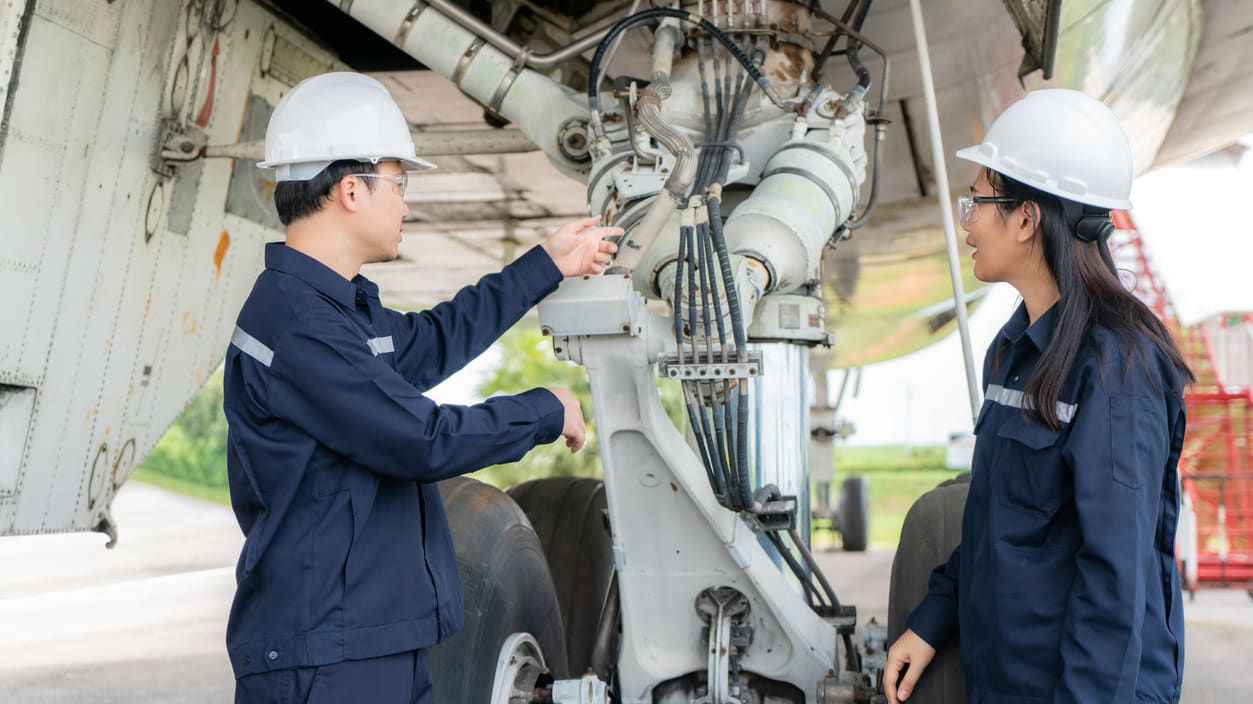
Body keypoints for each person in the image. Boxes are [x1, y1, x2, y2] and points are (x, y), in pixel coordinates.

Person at [222, 72, 620, 703]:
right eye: (398, 183)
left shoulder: (334, 312)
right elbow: (420, 439)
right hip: (326, 658)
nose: (406, 205)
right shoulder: (299, 326)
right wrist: (544, 410)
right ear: (351, 190)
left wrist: (548, 264)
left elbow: (432, 341)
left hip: (372, 643)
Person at [884, 89, 1192, 704]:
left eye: (977, 201)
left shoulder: (1117, 369)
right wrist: (931, 619)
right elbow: (997, 520)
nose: (967, 221)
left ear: (1026, 219)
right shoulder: (1015, 351)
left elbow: (1116, 583)